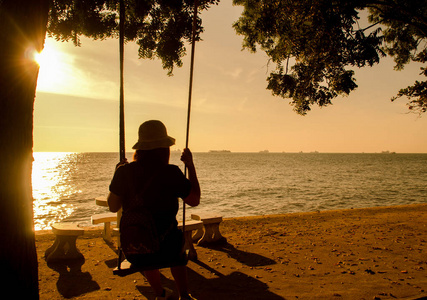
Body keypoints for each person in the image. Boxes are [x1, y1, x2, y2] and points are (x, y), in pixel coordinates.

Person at [107, 120, 200, 300]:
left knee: (145, 241)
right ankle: (184, 295)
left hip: (136, 251)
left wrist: (117, 172)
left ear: (140, 148)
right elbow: (194, 200)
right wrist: (190, 166)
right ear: (164, 148)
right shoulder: (171, 172)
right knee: (174, 237)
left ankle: (160, 293)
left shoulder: (124, 172)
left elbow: (112, 207)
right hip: (169, 250)